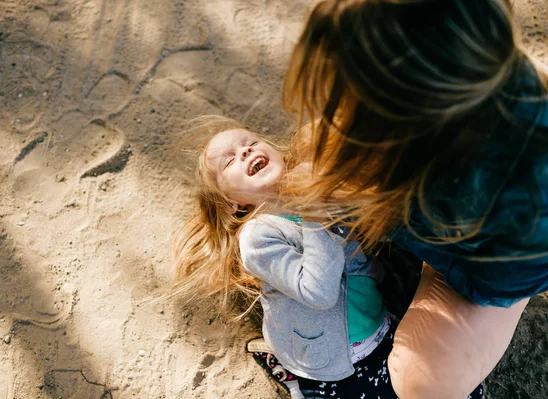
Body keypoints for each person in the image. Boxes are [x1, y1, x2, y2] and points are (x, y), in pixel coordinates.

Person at [281, 1, 548, 398]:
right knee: (318, 154)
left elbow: (495, 286)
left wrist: (393, 223)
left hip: (497, 275)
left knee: (421, 383)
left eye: (356, 95)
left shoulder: (522, 201)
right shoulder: (465, 85)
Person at [171, 116, 423, 398]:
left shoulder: (320, 195)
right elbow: (319, 292)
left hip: (377, 324)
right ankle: (296, 380)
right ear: (233, 204)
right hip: (334, 357)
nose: (245, 151)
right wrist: (314, 214)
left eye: (251, 143)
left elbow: (357, 253)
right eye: (229, 161)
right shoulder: (257, 237)